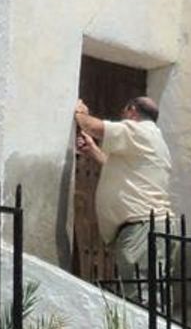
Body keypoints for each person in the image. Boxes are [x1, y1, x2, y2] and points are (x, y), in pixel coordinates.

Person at [73, 95, 172, 281]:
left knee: (140, 292)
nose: (122, 118)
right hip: (148, 225)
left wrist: (80, 113)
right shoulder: (153, 138)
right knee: (149, 290)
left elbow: (94, 127)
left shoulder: (139, 130)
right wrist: (94, 150)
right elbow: (121, 170)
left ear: (132, 110)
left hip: (142, 227)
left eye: (124, 113)